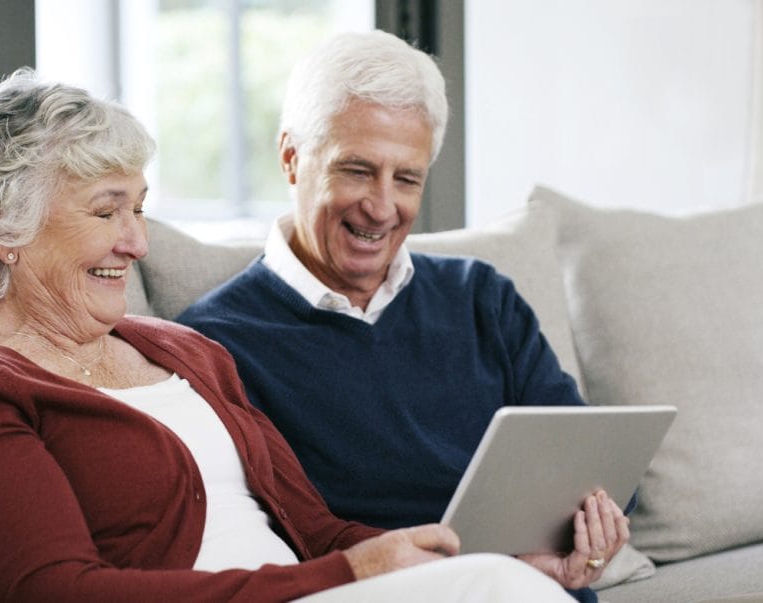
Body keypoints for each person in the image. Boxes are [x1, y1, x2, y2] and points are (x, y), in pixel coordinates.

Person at [0, 68, 578, 602]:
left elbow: (320, 532)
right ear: (3, 223)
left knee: (505, 583)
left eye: (140, 209)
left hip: (312, 592)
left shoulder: (189, 352)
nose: (135, 242)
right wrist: (337, 576)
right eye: (107, 211)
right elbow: (52, 592)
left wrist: (484, 556)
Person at [176, 30, 629, 603]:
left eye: (407, 178)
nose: (382, 206)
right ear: (292, 159)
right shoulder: (214, 345)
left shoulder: (480, 296)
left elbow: (596, 466)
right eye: (357, 170)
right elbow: (283, 547)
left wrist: (586, 539)